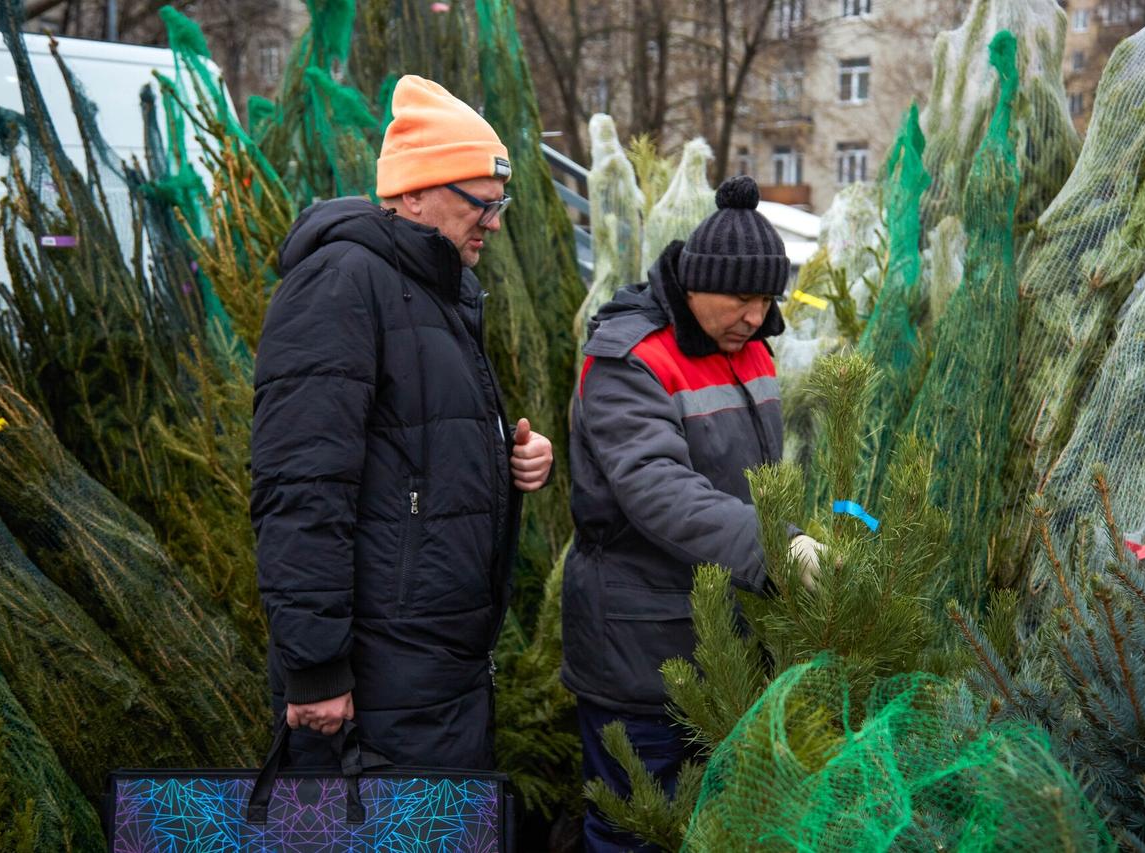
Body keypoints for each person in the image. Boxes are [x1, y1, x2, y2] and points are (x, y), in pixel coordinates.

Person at [251, 74, 554, 770]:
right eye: (483, 202)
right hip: (376, 684)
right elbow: (301, 484)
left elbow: (415, 451)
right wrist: (317, 667)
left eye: (500, 203)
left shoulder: (437, 292)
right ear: (414, 192)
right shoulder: (342, 284)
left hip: (440, 674)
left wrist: (514, 459)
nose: (497, 222)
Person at [562, 175, 791, 851]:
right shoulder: (630, 358)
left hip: (725, 643)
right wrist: (780, 546)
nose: (756, 315)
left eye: (766, 298)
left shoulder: (747, 345)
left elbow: (758, 478)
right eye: (741, 298)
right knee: (639, 829)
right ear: (696, 284)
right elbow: (660, 490)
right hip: (643, 653)